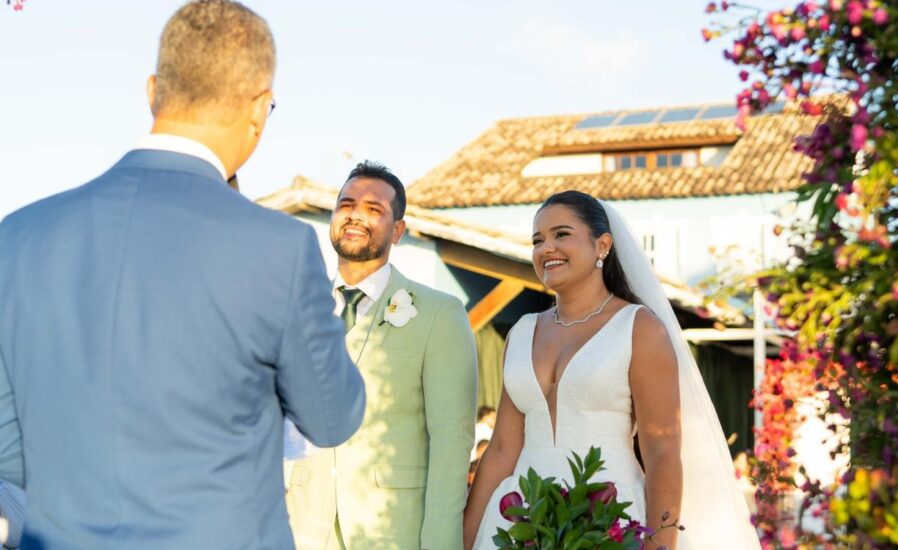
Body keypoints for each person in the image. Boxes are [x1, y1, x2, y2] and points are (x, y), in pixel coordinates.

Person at [0, 2, 365, 548]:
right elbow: (333, 417)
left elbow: (6, 443)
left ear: (153, 90)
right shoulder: (278, 248)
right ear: (260, 109)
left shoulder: (20, 235)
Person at [464, 191, 759, 549]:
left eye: (561, 234)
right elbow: (501, 451)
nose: (546, 248)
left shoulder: (639, 328)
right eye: (537, 240)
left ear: (602, 245)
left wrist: (661, 543)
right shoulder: (521, 332)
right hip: (521, 520)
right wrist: (465, 537)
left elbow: (662, 448)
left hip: (608, 519)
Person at [285, 161, 477, 549]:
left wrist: (441, 542)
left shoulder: (439, 313)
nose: (355, 215)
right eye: (346, 204)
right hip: (299, 529)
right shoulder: (293, 308)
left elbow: (450, 443)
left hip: (393, 532)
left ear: (398, 231)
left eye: (374, 209)